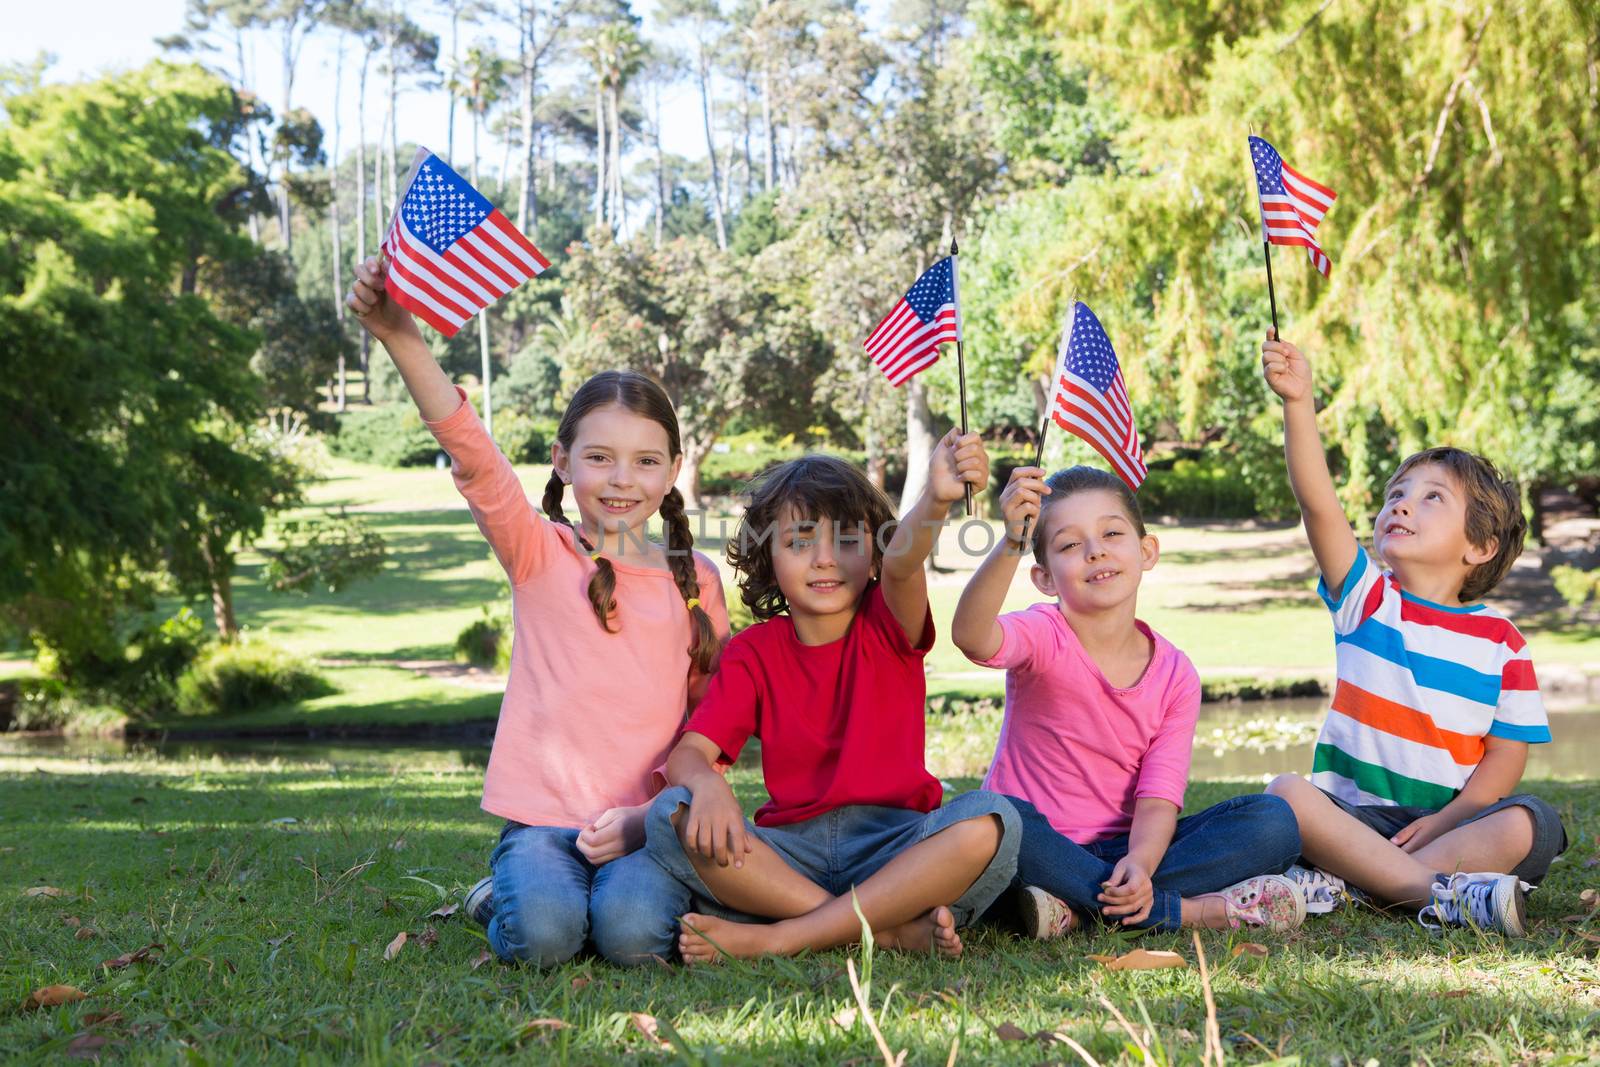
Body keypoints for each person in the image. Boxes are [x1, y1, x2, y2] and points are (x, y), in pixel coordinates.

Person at [346, 256, 729, 965]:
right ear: (562, 459)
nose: (622, 479)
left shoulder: (696, 578)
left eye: (646, 461)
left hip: (644, 825)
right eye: (600, 457)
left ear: (673, 470)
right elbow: (474, 455)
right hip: (543, 825)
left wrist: (650, 819)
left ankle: (600, 893)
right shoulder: (539, 553)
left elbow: (714, 727)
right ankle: (501, 892)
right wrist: (401, 336)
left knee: (634, 938)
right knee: (547, 938)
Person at [646, 436, 1020, 961]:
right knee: (671, 813)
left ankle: (784, 935)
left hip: (895, 848)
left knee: (992, 820)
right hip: (790, 853)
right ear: (768, 555)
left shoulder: (889, 622)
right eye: (799, 542)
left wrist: (936, 500)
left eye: (847, 540)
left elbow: (905, 566)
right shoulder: (754, 651)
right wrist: (705, 783)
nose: (824, 560)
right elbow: (689, 754)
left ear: (875, 552)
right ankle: (885, 931)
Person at [1259, 329, 1565, 936]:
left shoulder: (1503, 641)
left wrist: (1455, 818)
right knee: (1286, 794)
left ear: (1479, 546)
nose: (1402, 505)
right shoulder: (1368, 601)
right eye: (1397, 494)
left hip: (1451, 822)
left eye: (1431, 499)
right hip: (1352, 817)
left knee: (1534, 823)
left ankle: (1354, 885)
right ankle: (1429, 892)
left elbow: (1506, 756)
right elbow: (1318, 504)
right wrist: (1299, 404)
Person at [953, 464, 1306, 938]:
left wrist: (1139, 865)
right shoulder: (1042, 633)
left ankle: (1076, 908)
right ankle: (1181, 912)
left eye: (1112, 533)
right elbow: (972, 637)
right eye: (1070, 545)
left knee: (1272, 822)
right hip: (1037, 845)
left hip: (1129, 850)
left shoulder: (1176, 673)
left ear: (1146, 551)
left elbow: (1159, 798)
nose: (1095, 550)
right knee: (990, 816)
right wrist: (1012, 543)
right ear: (1045, 578)